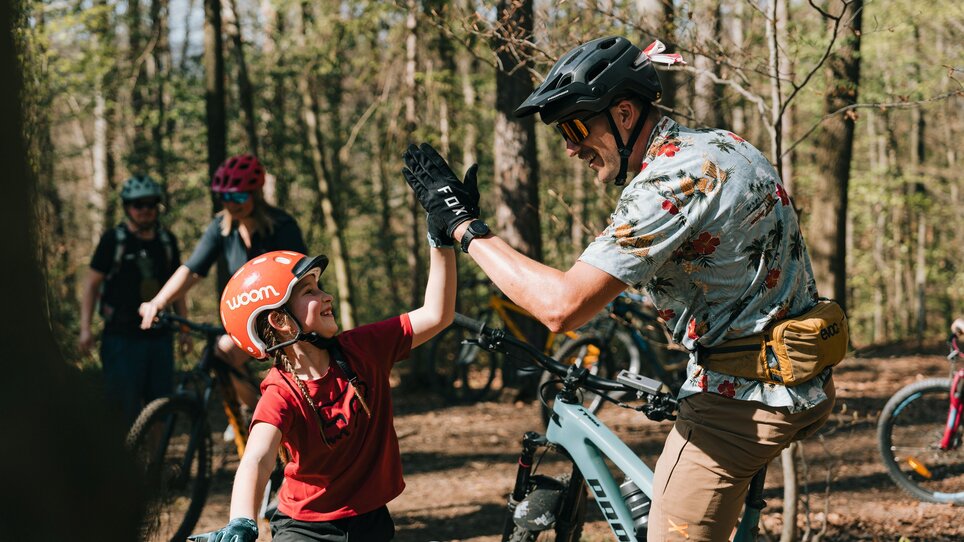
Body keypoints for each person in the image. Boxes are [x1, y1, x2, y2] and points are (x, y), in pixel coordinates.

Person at [403, 36, 838, 541]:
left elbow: (561, 308)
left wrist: (463, 226)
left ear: (624, 113)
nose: (570, 148)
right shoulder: (720, 144)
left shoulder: (669, 182)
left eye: (574, 127)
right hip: (798, 377)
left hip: (739, 404)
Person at [194, 237, 456, 541]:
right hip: (305, 529)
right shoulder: (280, 391)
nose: (327, 296)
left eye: (319, 287)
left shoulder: (364, 348)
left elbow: (437, 315)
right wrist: (241, 519)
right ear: (279, 320)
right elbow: (257, 457)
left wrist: (440, 242)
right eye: (310, 291)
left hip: (371, 522)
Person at [139, 154, 307, 414]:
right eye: (225, 197)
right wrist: (158, 301)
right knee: (220, 355)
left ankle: (275, 417)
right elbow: (191, 270)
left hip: (287, 317)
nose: (231, 204)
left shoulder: (282, 226)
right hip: (248, 320)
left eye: (239, 197)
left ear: (256, 194)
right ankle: (255, 414)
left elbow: (303, 278)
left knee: (289, 378)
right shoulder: (222, 227)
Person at [79, 175, 188, 427]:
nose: (145, 210)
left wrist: (184, 329)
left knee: (159, 409)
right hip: (121, 339)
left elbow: (179, 289)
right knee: (122, 410)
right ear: (127, 207)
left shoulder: (167, 241)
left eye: (151, 204)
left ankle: (156, 454)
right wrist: (85, 328)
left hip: (160, 338)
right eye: (138, 204)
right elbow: (91, 284)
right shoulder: (113, 240)